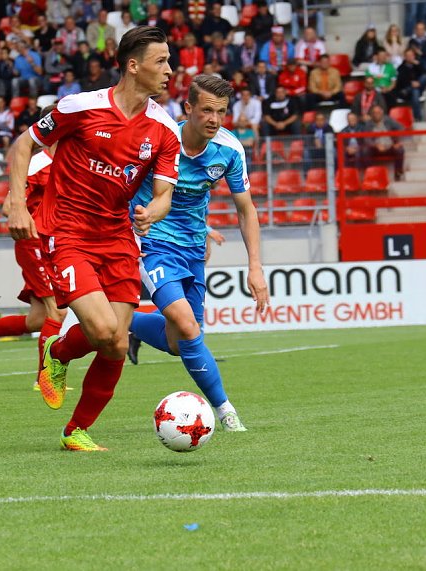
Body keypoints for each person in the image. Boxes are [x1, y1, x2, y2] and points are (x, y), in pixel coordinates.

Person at [6, 26, 181, 451]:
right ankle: (60, 354)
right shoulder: (81, 107)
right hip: (67, 232)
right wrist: (17, 202)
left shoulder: (163, 128)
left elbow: (164, 196)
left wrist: (151, 214)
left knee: (117, 344)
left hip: (119, 237)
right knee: (103, 329)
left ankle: (75, 429)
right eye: (161, 61)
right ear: (133, 66)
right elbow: (23, 145)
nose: (170, 71)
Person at [127, 75, 269, 432]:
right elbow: (127, 183)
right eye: (207, 110)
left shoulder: (230, 151)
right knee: (189, 328)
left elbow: (246, 209)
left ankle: (121, 323)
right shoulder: (160, 139)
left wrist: (255, 267)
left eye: (221, 112)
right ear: (188, 108)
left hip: (192, 250)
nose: (214, 119)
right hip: (152, 243)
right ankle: (225, 411)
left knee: (179, 343)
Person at [0, 105, 68, 382]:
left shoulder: (67, 162)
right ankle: (46, 379)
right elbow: (9, 207)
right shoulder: (38, 163)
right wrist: (35, 222)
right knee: (58, 309)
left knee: (38, 320)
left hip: (52, 245)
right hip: (33, 243)